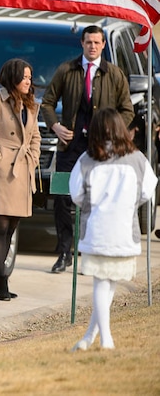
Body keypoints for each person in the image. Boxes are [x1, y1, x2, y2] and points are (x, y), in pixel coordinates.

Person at [41, 25, 134, 273]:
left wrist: (111, 133)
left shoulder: (114, 74)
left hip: (101, 149)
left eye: (97, 42)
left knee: (98, 199)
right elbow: (47, 102)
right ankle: (64, 252)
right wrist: (56, 126)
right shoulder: (67, 70)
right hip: (70, 146)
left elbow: (128, 110)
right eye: (88, 42)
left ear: (103, 45)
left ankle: (91, 252)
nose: (92, 46)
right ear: (82, 44)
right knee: (63, 199)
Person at [69, 108, 157, 351]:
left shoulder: (86, 160)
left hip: (96, 229)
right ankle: (91, 337)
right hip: (124, 230)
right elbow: (148, 191)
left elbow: (76, 193)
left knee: (101, 282)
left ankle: (104, 339)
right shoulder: (137, 158)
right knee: (109, 282)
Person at [0, 58, 41, 300]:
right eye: (24, 77)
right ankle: (2, 282)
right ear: (12, 77)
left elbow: (35, 137)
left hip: (22, 171)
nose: (28, 81)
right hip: (0, 173)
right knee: (0, 227)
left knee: (12, 227)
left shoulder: (31, 105)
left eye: (30, 77)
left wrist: (33, 158)